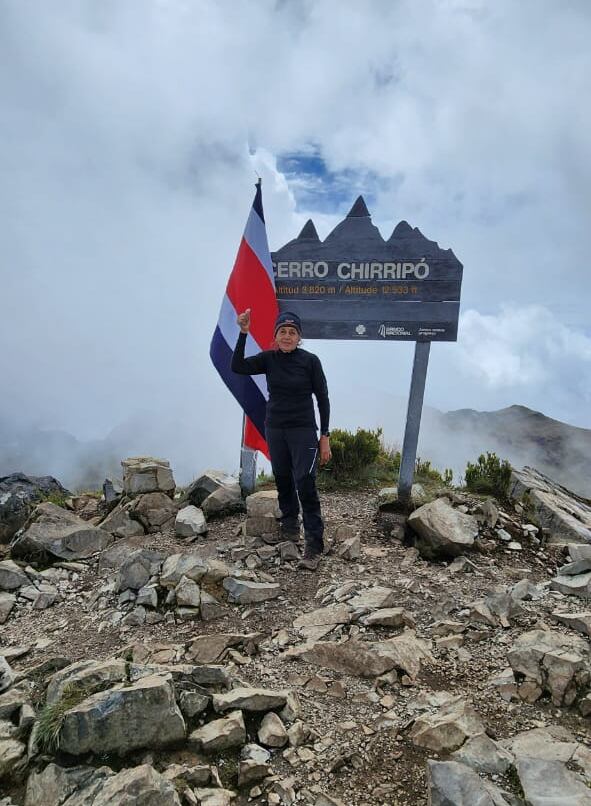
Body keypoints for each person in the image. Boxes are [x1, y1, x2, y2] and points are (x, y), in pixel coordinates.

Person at [231, 309, 331, 570]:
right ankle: (289, 528)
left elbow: (323, 399)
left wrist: (325, 436)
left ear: (299, 337)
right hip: (275, 428)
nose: (287, 336)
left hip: (303, 430)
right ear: (275, 336)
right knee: (283, 478)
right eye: (282, 332)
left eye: (292, 332)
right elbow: (238, 366)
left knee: (305, 482)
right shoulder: (269, 359)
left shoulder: (310, 361)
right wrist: (243, 333)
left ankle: (314, 545)